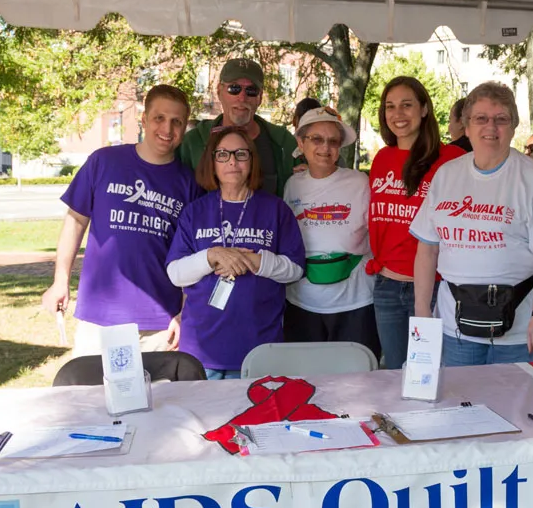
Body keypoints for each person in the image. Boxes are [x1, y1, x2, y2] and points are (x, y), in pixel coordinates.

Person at [411, 82, 533, 366]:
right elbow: (427, 249)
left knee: (519, 397)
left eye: (501, 119)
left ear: (513, 127)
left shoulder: (532, 177)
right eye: (480, 118)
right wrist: (422, 312)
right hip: (455, 330)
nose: (490, 127)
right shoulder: (446, 175)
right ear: (466, 127)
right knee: (458, 395)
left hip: (519, 332)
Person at [41, 84, 200, 356]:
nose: (167, 129)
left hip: (161, 323)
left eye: (177, 122)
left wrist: (183, 312)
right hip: (100, 317)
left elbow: (192, 256)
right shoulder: (104, 162)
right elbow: (75, 222)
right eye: (159, 118)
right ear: (144, 120)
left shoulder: (189, 183)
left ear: (185, 127)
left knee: (158, 386)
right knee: (91, 384)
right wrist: (60, 280)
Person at [167, 126, 305, 379]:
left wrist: (253, 261)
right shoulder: (195, 212)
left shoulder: (276, 209)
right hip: (201, 348)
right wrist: (212, 256)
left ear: (252, 161)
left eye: (241, 154)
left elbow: (295, 269)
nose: (232, 161)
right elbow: (176, 274)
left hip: (259, 346)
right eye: (223, 154)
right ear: (212, 162)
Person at [365, 77, 466, 369]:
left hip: (433, 286)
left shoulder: (452, 158)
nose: (398, 114)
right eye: (390, 106)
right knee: (395, 371)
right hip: (386, 284)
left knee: (430, 372)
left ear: (424, 109)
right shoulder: (382, 159)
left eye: (406, 105)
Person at [282, 106, 380, 357]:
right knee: (306, 374)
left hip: (355, 302)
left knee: (357, 374)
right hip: (303, 302)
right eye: (317, 139)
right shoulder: (292, 185)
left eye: (333, 141)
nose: (325, 148)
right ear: (301, 143)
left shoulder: (360, 182)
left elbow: (377, 233)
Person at [179, 58, 298, 198]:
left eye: (251, 90)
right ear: (219, 91)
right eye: (234, 89)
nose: (242, 98)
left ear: (260, 97)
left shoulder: (284, 143)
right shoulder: (193, 143)